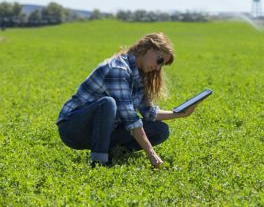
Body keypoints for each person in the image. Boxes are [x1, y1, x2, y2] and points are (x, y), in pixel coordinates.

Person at [56, 32, 197, 168]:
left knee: (160, 130)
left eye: (162, 65)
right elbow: (130, 119)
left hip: (102, 130)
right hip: (73, 128)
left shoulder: (140, 76)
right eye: (159, 60)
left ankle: (111, 153)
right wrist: (152, 154)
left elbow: (149, 113)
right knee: (108, 103)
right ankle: (99, 162)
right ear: (149, 48)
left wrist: (180, 113)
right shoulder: (118, 69)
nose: (158, 67)